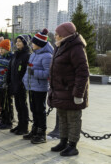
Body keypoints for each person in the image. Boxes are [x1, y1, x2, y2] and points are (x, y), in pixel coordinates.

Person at [48, 22, 89, 157]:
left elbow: (82, 72)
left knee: (73, 119)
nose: (55, 36)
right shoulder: (60, 46)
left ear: (64, 35)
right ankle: (63, 142)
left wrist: (78, 94)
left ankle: (72, 146)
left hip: (71, 92)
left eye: (57, 34)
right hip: (60, 91)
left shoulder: (76, 48)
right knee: (63, 118)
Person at [22, 28, 53, 144]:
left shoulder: (47, 56)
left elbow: (47, 74)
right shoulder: (34, 54)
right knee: (34, 109)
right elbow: (28, 70)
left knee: (40, 110)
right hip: (31, 86)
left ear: (39, 44)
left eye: (34, 42)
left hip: (40, 88)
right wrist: (24, 80)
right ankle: (35, 130)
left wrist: (34, 73)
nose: (32, 44)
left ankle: (41, 133)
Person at [9, 34, 31, 135]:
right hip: (14, 83)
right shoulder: (15, 54)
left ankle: (24, 126)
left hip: (22, 85)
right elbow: (11, 69)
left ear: (25, 43)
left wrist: (23, 83)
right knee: (17, 105)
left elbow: (26, 71)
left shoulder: (27, 55)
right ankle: (20, 124)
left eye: (20, 41)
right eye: (17, 41)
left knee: (23, 105)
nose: (17, 43)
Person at [0, 39, 13, 130]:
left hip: (5, 84)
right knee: (2, 103)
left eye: (3, 48)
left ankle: (8, 121)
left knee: (7, 104)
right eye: (0, 48)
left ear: (8, 49)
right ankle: (3, 120)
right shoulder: (0, 58)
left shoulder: (11, 57)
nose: (1, 50)